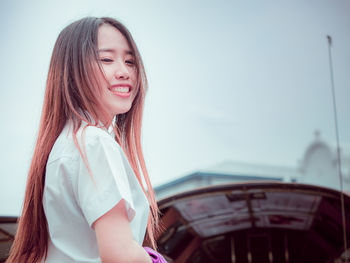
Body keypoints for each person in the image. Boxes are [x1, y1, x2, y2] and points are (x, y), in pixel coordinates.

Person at [6, 17, 166, 263]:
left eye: (130, 61)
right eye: (106, 59)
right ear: (73, 69)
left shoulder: (66, 142)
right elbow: (120, 255)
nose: (124, 72)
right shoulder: (93, 142)